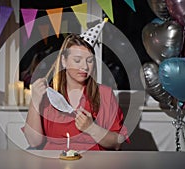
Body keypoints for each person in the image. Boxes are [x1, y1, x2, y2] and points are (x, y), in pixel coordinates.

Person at [23, 19, 129, 151]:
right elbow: (34, 142)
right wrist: (35, 101)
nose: (84, 66)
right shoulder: (49, 94)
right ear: (64, 61)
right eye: (77, 60)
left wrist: (92, 128)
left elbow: (117, 143)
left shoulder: (105, 94)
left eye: (89, 61)